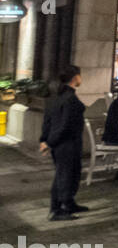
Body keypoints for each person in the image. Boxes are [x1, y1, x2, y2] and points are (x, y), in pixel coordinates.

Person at [39, 65, 86, 220]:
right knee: (65, 175)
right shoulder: (69, 99)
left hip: (61, 143)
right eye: (79, 75)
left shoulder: (56, 96)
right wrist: (49, 142)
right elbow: (65, 125)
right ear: (75, 78)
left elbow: (48, 120)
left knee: (68, 174)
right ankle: (56, 210)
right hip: (68, 143)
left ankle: (68, 203)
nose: (81, 78)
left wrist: (45, 139)